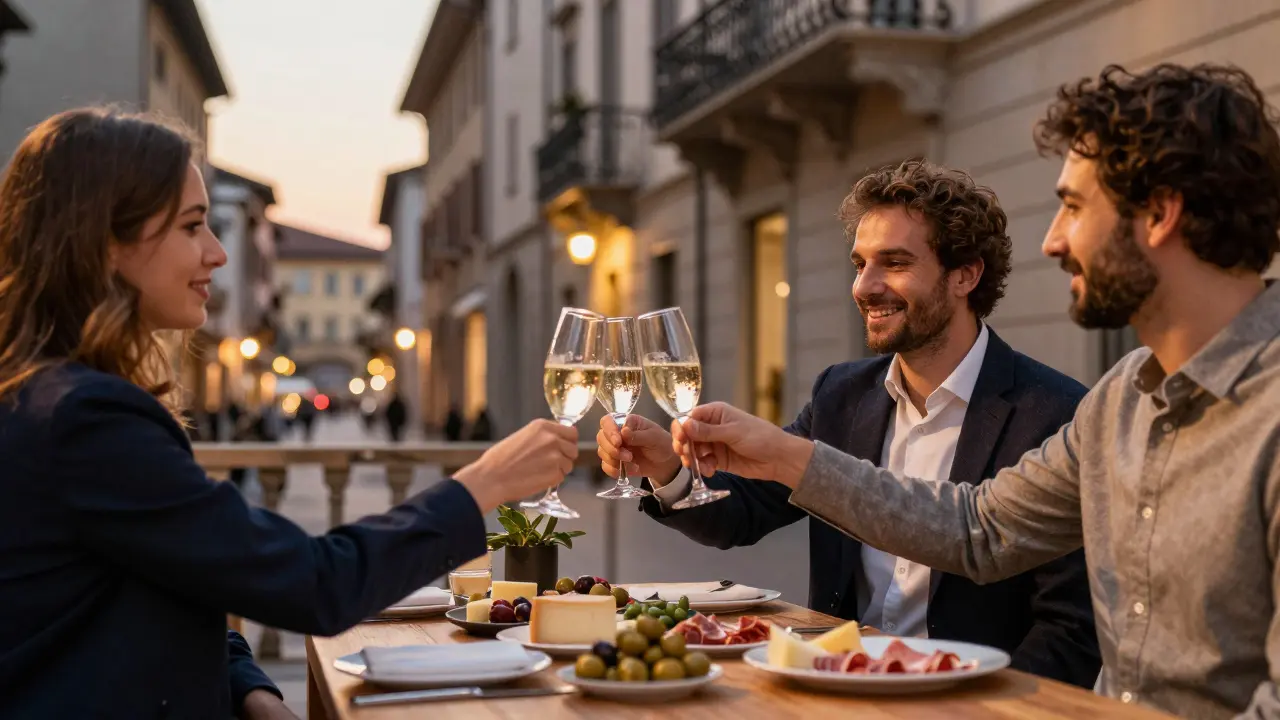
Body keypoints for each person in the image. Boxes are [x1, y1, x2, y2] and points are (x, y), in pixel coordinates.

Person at [663, 63, 1280, 719]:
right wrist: (785, 456)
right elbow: (978, 529)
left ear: (1159, 212)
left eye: (1073, 206)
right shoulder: (1119, 399)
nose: (1052, 241)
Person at [0, 108, 581, 719]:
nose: (218, 254)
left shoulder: (52, 395)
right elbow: (314, 583)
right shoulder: (85, 419)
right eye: (193, 226)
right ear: (108, 243)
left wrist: (251, 691)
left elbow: (178, 578)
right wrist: (483, 483)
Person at [598, 160, 1100, 686]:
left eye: (894, 263)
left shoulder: (1054, 412)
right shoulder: (841, 393)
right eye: (859, 264)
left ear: (965, 275)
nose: (864, 286)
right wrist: (666, 470)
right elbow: (741, 514)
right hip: (837, 687)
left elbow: (1070, 632)